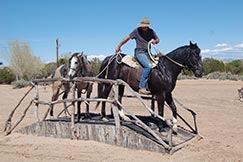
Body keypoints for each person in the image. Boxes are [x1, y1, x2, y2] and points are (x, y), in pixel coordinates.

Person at [116, 17, 160, 94]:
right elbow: (127, 38)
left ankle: (153, 86)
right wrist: (119, 46)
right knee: (148, 66)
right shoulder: (136, 31)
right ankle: (142, 87)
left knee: (157, 66)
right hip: (139, 53)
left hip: (148, 53)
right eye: (143, 26)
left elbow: (158, 40)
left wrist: (154, 41)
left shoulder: (151, 31)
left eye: (145, 26)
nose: (144, 27)